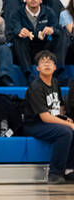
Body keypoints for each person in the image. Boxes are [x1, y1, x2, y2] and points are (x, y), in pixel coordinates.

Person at [22, 49, 74, 184]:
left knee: (70, 127)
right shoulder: (36, 87)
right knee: (65, 132)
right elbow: (45, 117)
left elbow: (59, 107)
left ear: (55, 67)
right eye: (43, 62)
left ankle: (69, 169)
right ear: (38, 68)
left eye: (50, 61)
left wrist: (65, 119)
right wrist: (67, 124)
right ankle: (55, 174)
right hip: (34, 124)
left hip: (49, 122)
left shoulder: (55, 83)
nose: (47, 64)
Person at [7, 0, 65, 79]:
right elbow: (15, 29)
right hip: (25, 49)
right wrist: (20, 31)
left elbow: (57, 29)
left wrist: (52, 30)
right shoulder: (16, 12)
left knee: (63, 34)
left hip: (44, 48)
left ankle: (57, 72)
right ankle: (29, 74)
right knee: (18, 38)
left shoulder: (49, 11)